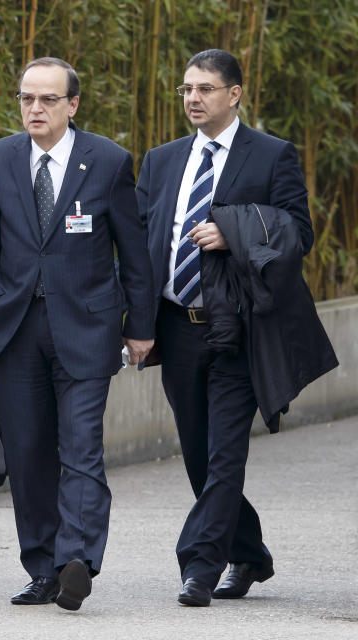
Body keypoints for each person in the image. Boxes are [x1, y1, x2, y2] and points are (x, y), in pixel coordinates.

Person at [136, 49, 317, 607]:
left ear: (234, 94)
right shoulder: (160, 160)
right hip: (177, 324)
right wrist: (136, 324)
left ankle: (200, 564)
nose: (193, 98)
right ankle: (251, 555)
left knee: (224, 454)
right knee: (197, 452)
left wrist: (234, 236)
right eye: (186, 89)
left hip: (238, 327)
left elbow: (298, 233)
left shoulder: (271, 155)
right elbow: (142, 247)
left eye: (206, 88)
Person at [0, 57, 154, 611]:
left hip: (87, 327)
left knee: (80, 449)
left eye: (48, 100)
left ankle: (77, 559)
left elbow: (134, 250)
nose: (35, 109)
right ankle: (42, 567)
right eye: (27, 98)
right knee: (26, 454)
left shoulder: (108, 160)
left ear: (72, 105)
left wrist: (139, 327)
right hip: (15, 328)